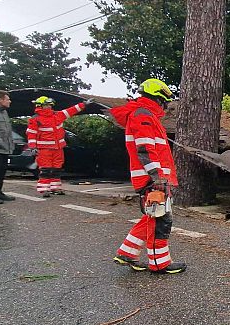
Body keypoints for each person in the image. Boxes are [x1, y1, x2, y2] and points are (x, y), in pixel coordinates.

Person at [110, 78, 186, 274]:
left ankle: (126, 253)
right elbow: (144, 149)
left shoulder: (144, 114)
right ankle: (160, 264)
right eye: (165, 101)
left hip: (151, 178)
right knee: (161, 220)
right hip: (152, 179)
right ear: (158, 98)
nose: (166, 106)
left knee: (153, 217)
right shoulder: (143, 115)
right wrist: (157, 177)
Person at [27, 96, 92, 197]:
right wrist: (32, 147)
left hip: (58, 148)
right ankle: (44, 189)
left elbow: (70, 111)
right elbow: (31, 134)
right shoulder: (35, 119)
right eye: (46, 105)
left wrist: (83, 104)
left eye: (50, 105)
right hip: (44, 150)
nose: (49, 107)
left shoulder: (57, 115)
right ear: (40, 106)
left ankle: (55, 188)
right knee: (46, 169)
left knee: (57, 168)